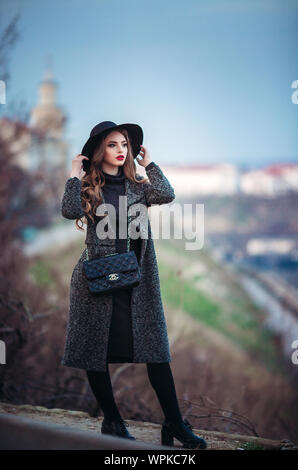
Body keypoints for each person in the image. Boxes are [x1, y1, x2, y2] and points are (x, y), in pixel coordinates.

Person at [61, 121, 207, 449]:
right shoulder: (87, 186)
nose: (120, 150)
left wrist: (149, 164)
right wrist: (73, 174)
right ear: (98, 151)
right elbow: (69, 210)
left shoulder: (138, 185)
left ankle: (174, 425)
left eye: (124, 144)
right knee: (93, 353)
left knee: (156, 352)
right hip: (95, 281)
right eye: (112, 145)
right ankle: (112, 421)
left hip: (136, 283)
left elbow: (166, 193)